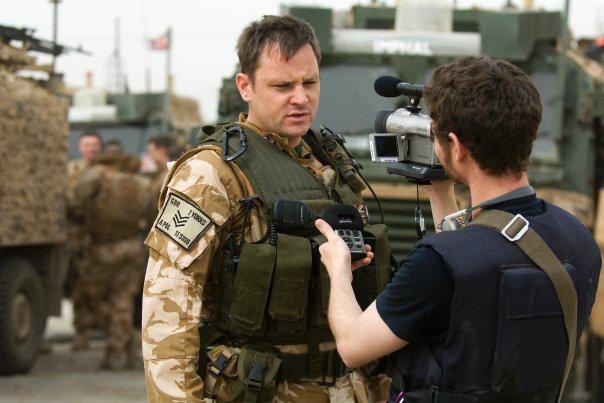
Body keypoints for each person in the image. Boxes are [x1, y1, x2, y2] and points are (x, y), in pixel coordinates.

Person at [316, 56, 602, 402]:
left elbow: (351, 346)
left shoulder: (436, 262)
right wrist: (441, 189)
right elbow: (477, 295)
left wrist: (339, 268)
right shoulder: (577, 238)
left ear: (457, 145)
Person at [142, 14, 392, 403]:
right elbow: (168, 312)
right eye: (282, 85)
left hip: (350, 387)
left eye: (309, 82)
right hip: (262, 389)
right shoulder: (211, 173)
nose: (300, 97)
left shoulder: (331, 163)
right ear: (246, 86)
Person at [69, 150, 152, 368]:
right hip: (132, 246)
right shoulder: (142, 183)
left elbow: (76, 204)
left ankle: (118, 343)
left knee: (91, 296)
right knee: (123, 299)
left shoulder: (98, 175)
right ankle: (121, 348)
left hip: (103, 248)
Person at [66, 131, 103, 304]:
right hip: (78, 232)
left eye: (94, 145)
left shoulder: (105, 170)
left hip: (101, 234)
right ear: (80, 147)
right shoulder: (71, 169)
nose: (91, 149)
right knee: (79, 279)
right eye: (87, 145)